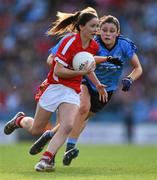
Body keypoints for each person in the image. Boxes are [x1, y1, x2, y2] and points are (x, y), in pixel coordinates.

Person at [29, 14, 143, 166]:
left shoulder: (124, 45)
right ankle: (69, 148)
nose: (107, 33)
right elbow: (71, 58)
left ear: (117, 33)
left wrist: (130, 78)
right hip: (85, 81)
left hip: (106, 89)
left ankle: (49, 135)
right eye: (104, 30)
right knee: (83, 107)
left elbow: (138, 68)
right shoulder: (90, 41)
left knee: (79, 118)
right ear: (99, 31)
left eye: (111, 31)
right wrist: (65, 68)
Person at [4, 8, 108, 172]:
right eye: (93, 26)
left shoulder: (94, 46)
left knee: (66, 126)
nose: (96, 30)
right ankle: (20, 120)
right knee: (36, 129)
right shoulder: (69, 41)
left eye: (98, 26)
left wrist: (97, 84)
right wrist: (79, 73)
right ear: (81, 26)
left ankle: (46, 160)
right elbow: (58, 70)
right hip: (54, 86)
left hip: (72, 90)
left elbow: (87, 69)